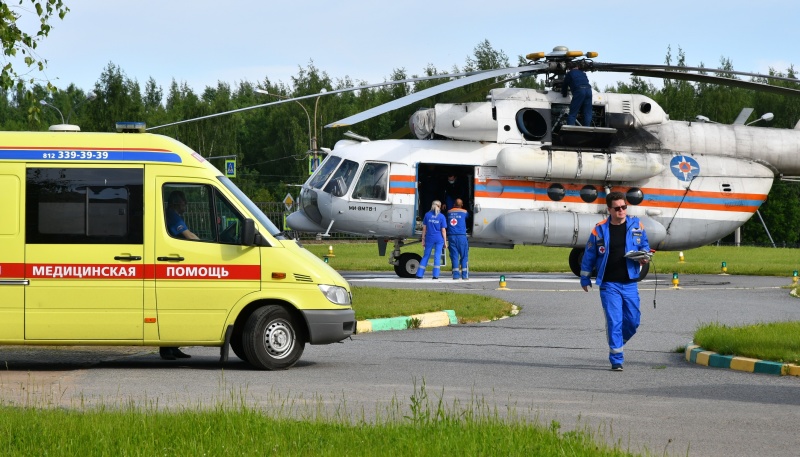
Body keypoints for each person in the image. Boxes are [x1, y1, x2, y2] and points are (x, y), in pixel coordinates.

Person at [579, 191, 650, 371]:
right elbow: (589, 255)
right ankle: (616, 358)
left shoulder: (637, 225)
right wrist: (585, 277)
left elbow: (644, 246)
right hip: (609, 284)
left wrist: (644, 257)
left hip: (630, 282)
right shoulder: (599, 229)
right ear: (609, 209)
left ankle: (618, 340)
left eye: (624, 207)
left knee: (633, 321)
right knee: (614, 321)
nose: (621, 211)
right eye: (617, 208)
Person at [160, 190, 196, 360]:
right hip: (170, 265)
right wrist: (205, 243)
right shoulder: (172, 215)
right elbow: (187, 235)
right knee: (172, 307)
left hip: (172, 266)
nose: (185, 205)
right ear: (176, 202)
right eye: (183, 202)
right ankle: (167, 348)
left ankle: (172, 346)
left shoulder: (171, 214)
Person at [416, 200, 447, 280]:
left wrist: (423, 239)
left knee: (426, 255)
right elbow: (443, 230)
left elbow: (424, 229)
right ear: (439, 207)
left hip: (429, 238)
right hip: (439, 238)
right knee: (437, 256)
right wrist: (445, 241)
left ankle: (419, 274)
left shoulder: (427, 215)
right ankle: (435, 275)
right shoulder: (441, 217)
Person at [561, 61, 593, 126]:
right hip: (589, 91)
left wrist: (564, 94)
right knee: (587, 112)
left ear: (569, 68)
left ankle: (570, 130)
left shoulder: (569, 74)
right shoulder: (583, 73)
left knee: (573, 113)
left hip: (579, 91)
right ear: (577, 67)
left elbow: (565, 85)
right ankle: (587, 129)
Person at [446, 198, 469, 280]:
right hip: (461, 236)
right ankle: (464, 275)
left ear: (454, 204)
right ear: (462, 205)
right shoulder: (464, 212)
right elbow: (468, 218)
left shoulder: (449, 212)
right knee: (464, 256)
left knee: (454, 256)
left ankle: (455, 275)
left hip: (451, 236)